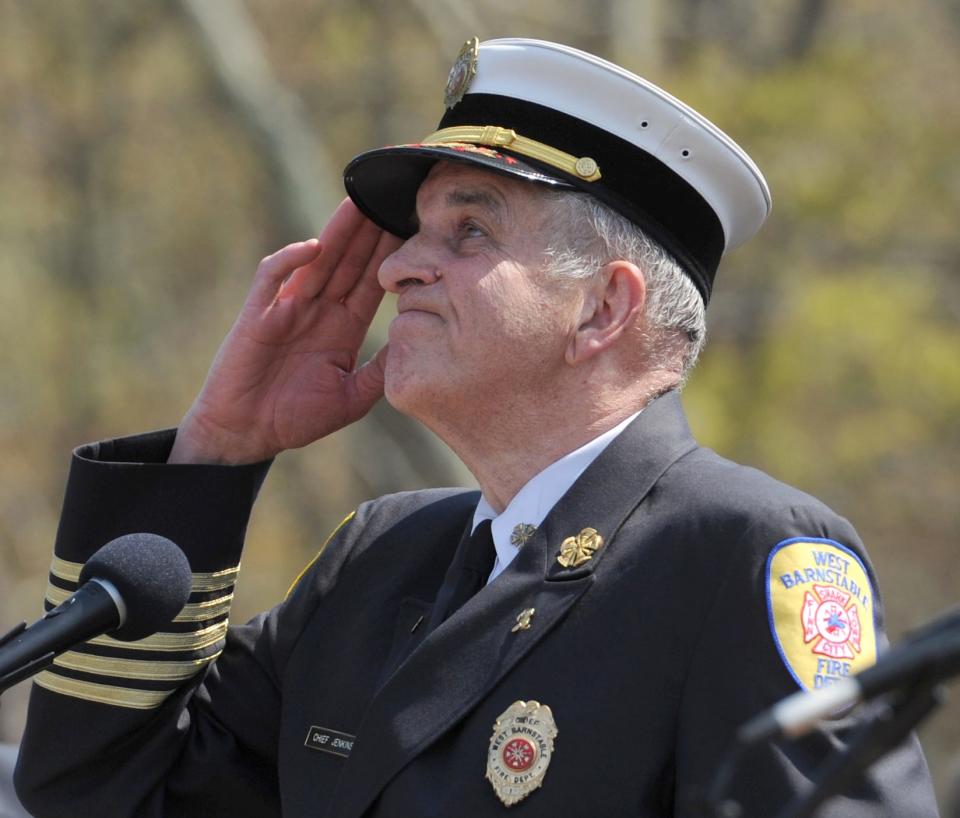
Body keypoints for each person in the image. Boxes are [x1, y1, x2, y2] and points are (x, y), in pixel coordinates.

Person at [14, 38, 938, 817]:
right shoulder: (379, 561)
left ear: (603, 310)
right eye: (415, 232)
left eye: (469, 234)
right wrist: (216, 450)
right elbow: (102, 795)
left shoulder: (743, 552)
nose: (397, 270)